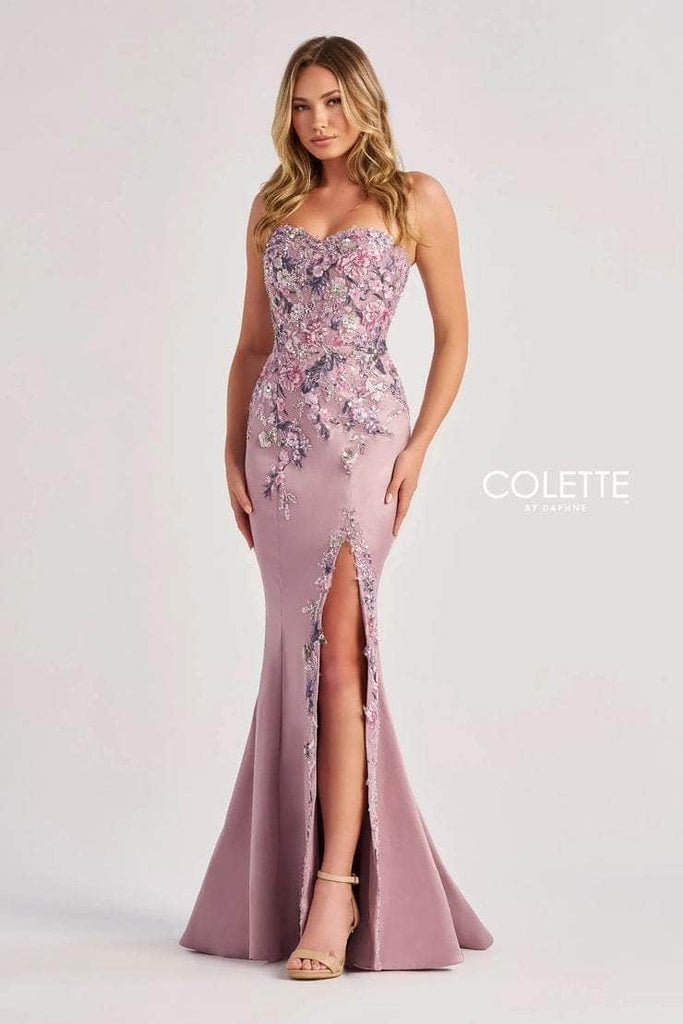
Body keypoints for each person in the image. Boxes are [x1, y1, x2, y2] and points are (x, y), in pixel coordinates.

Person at [179, 35, 493, 980]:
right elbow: (250, 346)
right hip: (277, 450)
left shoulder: (414, 198)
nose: (317, 121)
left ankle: (335, 887)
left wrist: (419, 446)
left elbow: (453, 335)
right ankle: (288, 878)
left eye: (331, 101)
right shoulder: (272, 204)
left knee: (343, 649)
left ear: (364, 101)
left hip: (365, 447)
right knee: (295, 654)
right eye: (300, 104)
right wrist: (229, 451)